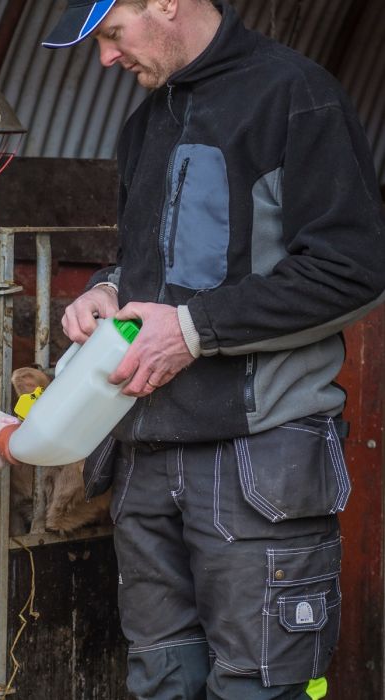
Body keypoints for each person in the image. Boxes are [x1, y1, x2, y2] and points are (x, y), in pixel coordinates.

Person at [42, 1, 385, 698]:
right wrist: (106, 292)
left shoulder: (295, 97)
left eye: (112, 34)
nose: (107, 59)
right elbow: (150, 268)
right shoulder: (148, 122)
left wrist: (194, 330)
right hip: (144, 451)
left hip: (256, 457)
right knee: (160, 676)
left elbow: (353, 266)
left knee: (259, 685)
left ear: (166, 3)